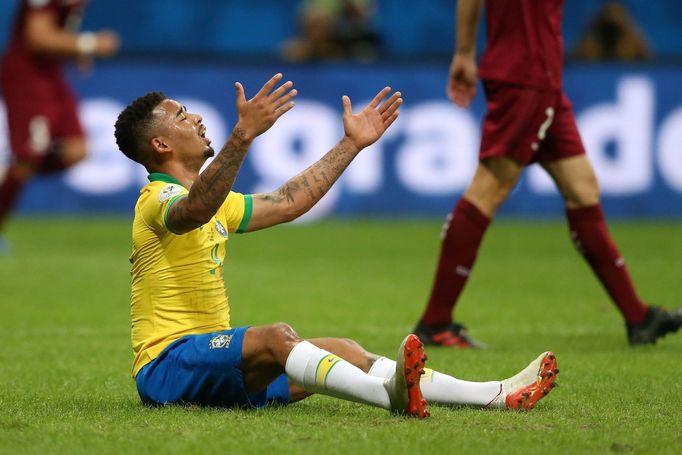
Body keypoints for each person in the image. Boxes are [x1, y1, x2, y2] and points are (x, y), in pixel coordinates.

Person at [113, 73, 558, 415]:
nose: (195, 117)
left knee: (343, 349)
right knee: (277, 338)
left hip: (213, 362)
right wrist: (243, 134)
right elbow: (195, 210)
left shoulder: (216, 202)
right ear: (160, 144)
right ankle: (391, 397)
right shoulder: (157, 200)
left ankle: (496, 395)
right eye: (181, 116)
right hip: (168, 367)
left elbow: (289, 202)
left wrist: (351, 144)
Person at [413, 0, 682, 348]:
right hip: (526, 73)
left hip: (542, 75)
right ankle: (435, 323)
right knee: (489, 187)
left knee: (582, 187)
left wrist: (466, 52)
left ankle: (638, 318)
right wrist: (464, 53)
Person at [0, 0, 119, 250]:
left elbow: (59, 26)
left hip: (51, 74)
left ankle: (11, 170)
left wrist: (74, 49)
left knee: (76, 150)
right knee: (27, 158)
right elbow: (37, 36)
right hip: (27, 76)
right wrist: (89, 43)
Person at [573, 2, 652, 62]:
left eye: (615, 28)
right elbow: (578, 64)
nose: (611, 31)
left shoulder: (634, 41)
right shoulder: (589, 42)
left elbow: (648, 63)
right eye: (607, 27)